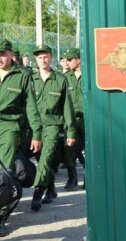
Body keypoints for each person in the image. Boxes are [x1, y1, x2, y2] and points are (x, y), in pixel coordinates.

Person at [0, 39, 42, 236]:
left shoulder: (22, 75)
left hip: (10, 126)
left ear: (10, 54)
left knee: (2, 172)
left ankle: (0, 218)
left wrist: (37, 134)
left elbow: (31, 107)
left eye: (3, 54)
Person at [30, 45, 76, 211]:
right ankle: (51, 188)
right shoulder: (29, 79)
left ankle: (37, 192)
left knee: (46, 157)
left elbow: (67, 108)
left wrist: (70, 132)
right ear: (36, 59)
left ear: (51, 57)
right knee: (40, 157)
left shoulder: (60, 80)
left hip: (52, 125)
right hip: (33, 126)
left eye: (45, 57)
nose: (43, 60)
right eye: (39, 57)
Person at [63, 48, 85, 190]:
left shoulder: (89, 75)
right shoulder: (65, 77)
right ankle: (73, 177)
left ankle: (88, 177)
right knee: (70, 149)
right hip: (71, 119)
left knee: (88, 150)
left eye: (70, 59)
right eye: (66, 59)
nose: (67, 62)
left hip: (87, 119)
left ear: (79, 59)